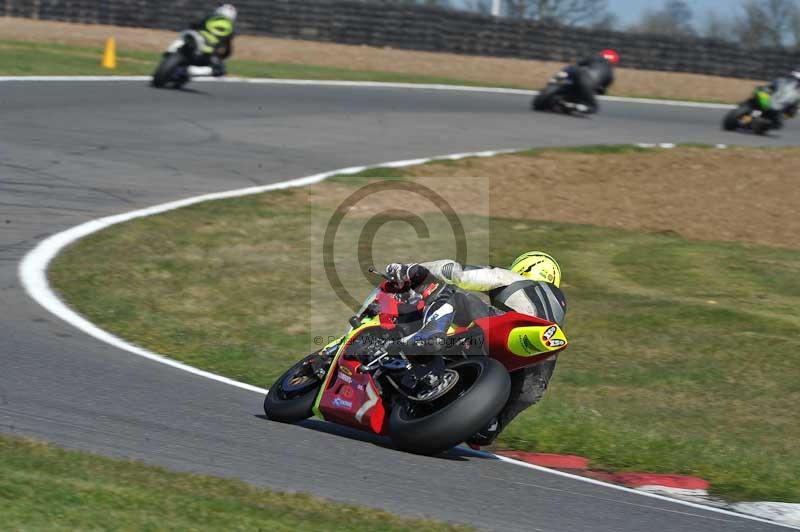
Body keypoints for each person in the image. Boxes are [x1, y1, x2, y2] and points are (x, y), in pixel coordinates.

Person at [385, 251, 567, 448]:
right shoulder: (558, 305)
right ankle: (488, 425)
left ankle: (431, 332)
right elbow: (530, 394)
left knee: (453, 294)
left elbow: (456, 273)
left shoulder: (516, 278)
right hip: (544, 354)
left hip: (513, 325)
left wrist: (412, 269)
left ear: (525, 267)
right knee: (493, 425)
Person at [554, 49, 619, 114]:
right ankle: (578, 107)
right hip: (589, 84)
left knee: (570, 72)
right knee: (594, 107)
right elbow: (602, 90)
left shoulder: (594, 57)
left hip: (581, 76)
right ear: (614, 62)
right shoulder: (610, 74)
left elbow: (578, 64)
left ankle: (558, 81)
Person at [189, 4, 237, 77]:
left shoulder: (209, 17)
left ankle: (192, 71)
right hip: (208, 50)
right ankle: (193, 71)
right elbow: (227, 50)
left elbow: (194, 24)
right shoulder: (231, 29)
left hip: (201, 47)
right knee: (220, 70)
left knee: (220, 69)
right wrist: (220, 56)